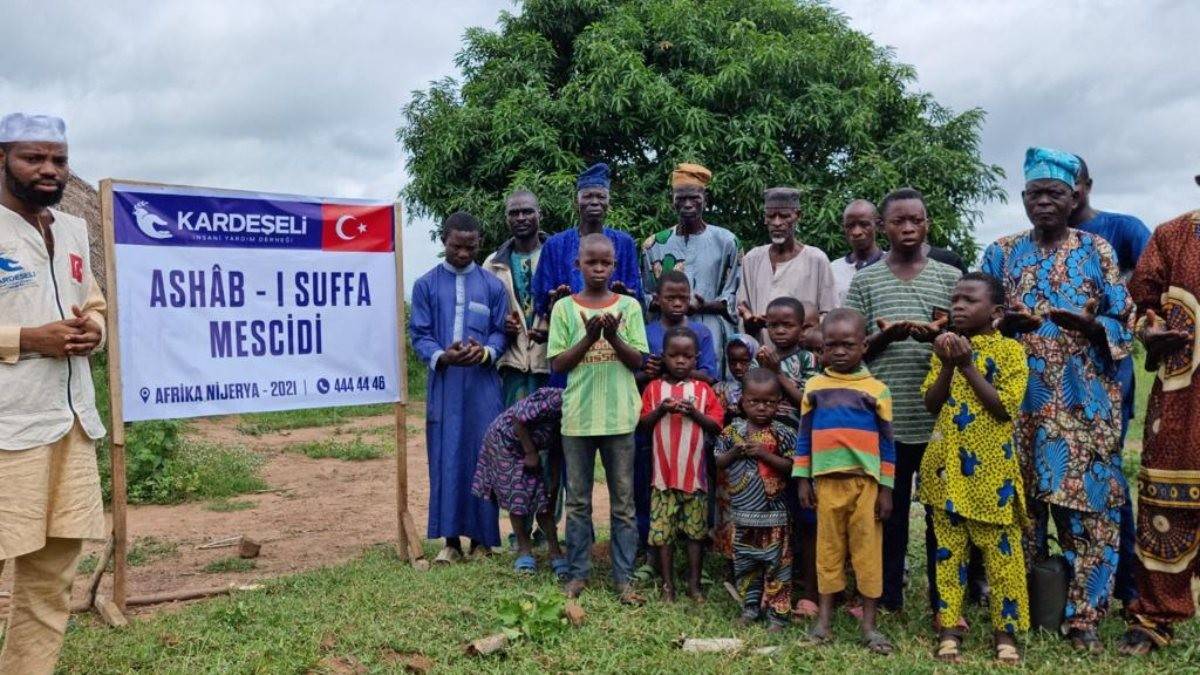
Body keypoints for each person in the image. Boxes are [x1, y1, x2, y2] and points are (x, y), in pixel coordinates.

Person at [981, 147, 1133, 653]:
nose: (1043, 203)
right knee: (1018, 512)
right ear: (1023, 198)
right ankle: (1016, 606)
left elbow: (1124, 320)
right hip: (1014, 406)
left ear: (1075, 197)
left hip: (1082, 407)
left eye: (1055, 194)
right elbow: (980, 316)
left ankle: (1084, 616)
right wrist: (1007, 323)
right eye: (1034, 194)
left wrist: (1090, 325)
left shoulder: (1097, 250)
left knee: (1088, 513)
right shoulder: (1001, 252)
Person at [0, 113, 107, 674]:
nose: (48, 170)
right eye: (32, 157)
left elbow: (92, 299)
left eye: (58, 160)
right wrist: (26, 338)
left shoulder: (69, 229)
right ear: (2, 160)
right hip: (7, 430)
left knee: (52, 577)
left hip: (70, 426)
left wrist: (96, 329)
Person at [844, 186, 960, 614]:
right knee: (885, 515)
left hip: (937, 419)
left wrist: (942, 336)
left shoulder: (948, 278)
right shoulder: (867, 280)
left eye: (917, 219)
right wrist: (885, 335)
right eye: (899, 221)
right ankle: (886, 595)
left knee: (938, 516)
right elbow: (850, 346)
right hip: (883, 421)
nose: (909, 227)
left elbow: (966, 340)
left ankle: (942, 599)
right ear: (882, 227)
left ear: (927, 223)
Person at [918, 273, 1029, 665]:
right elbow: (932, 403)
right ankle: (949, 629)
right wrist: (948, 363)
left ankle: (1006, 633)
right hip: (946, 472)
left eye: (969, 300)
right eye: (955, 300)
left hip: (991, 475)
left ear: (996, 312)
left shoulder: (1011, 352)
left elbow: (1003, 408)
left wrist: (967, 365)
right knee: (948, 554)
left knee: (1002, 558)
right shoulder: (943, 349)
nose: (958, 307)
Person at [547, 233, 648, 603]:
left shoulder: (630, 307)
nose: (599, 268)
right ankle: (577, 574)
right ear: (579, 265)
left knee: (623, 503)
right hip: (578, 419)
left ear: (615, 266)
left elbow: (639, 361)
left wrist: (613, 336)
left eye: (606, 263)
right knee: (578, 502)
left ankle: (623, 578)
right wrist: (589, 339)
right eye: (592, 262)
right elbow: (558, 364)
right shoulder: (563, 309)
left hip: (620, 418)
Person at [1069, 154, 1151, 609]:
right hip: (1051, 381)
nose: (1065, 194)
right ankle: (1064, 577)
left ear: (1085, 186)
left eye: (1071, 185)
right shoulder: (1028, 245)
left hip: (1107, 374)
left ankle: (1127, 584)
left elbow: (1149, 291)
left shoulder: (1123, 230)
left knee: (1107, 476)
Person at [1118, 203, 1200, 655]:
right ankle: (1154, 617)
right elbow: (1140, 303)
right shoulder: (1173, 235)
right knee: (1166, 504)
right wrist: (1150, 331)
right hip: (1181, 396)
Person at [794, 308, 895, 655]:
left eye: (847, 345)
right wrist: (803, 479)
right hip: (825, 485)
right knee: (828, 552)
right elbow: (804, 437)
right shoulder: (815, 387)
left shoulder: (876, 390)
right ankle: (823, 620)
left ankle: (869, 624)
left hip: (864, 486)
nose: (838, 351)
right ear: (821, 347)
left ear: (864, 345)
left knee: (867, 554)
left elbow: (887, 445)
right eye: (830, 345)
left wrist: (886, 489)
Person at [410, 211, 507, 563]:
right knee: (446, 456)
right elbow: (419, 334)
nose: (463, 254)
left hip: (483, 386)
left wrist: (485, 353)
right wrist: (442, 356)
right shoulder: (425, 285)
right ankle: (450, 542)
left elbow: (500, 333)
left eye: (470, 247)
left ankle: (482, 541)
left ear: (479, 243)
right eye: (456, 247)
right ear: (443, 242)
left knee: (484, 457)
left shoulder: (493, 286)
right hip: (445, 384)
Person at [638, 327, 724, 602]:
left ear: (696, 358)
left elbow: (716, 425)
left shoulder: (703, 390)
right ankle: (667, 585)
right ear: (663, 356)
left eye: (687, 356)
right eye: (673, 356)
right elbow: (643, 424)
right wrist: (662, 409)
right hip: (662, 478)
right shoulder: (653, 389)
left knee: (695, 534)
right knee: (663, 534)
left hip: (694, 478)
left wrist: (694, 413)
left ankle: (695, 584)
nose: (680, 361)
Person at [634, 270, 716, 552]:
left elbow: (710, 375)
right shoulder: (646, 332)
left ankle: (694, 545)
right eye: (671, 297)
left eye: (683, 297)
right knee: (650, 482)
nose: (678, 303)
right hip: (655, 424)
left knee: (694, 483)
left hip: (691, 428)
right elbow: (635, 375)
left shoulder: (702, 332)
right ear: (657, 299)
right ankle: (650, 547)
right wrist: (648, 372)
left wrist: (678, 369)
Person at [714, 368, 797, 631]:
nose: (762, 407)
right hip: (743, 514)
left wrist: (764, 454)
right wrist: (736, 452)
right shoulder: (732, 432)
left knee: (778, 566)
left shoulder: (783, 432)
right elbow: (718, 461)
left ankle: (778, 613)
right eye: (754, 401)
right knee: (746, 563)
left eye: (769, 402)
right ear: (743, 402)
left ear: (778, 402)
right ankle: (750, 608)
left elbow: (793, 467)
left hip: (775, 516)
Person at [641, 163, 741, 374]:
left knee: (709, 389)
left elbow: (735, 294)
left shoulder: (727, 241)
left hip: (712, 331)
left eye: (694, 197)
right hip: (665, 335)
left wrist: (706, 305)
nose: (688, 204)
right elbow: (647, 295)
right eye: (681, 198)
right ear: (672, 201)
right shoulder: (654, 244)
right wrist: (670, 303)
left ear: (705, 199)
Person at [471, 387, 567, 577]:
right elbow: (518, 418)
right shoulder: (558, 400)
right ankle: (524, 549)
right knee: (518, 494)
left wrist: (554, 484)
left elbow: (557, 451)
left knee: (542, 498)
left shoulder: (580, 418)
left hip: (526, 445)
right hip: (503, 440)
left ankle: (555, 551)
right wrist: (530, 452)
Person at [532, 162, 642, 327]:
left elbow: (636, 296)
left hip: (616, 331)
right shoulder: (555, 245)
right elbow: (541, 295)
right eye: (588, 196)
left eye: (601, 196)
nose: (595, 202)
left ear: (608, 203)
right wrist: (554, 301)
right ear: (577, 202)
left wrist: (625, 296)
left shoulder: (624, 243)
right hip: (567, 332)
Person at [736, 187, 836, 348]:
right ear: (765, 219)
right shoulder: (752, 259)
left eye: (784, 216)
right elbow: (742, 311)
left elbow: (829, 314)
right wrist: (750, 324)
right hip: (761, 358)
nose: (777, 223)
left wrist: (807, 334)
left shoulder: (816, 259)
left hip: (804, 361)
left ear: (797, 216)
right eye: (771, 216)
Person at [485, 190, 550, 405]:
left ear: (539, 215)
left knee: (549, 434)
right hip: (511, 364)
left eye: (527, 211)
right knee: (513, 432)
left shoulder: (556, 255)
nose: (521, 218)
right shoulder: (492, 264)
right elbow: (481, 313)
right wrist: (500, 323)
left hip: (550, 361)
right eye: (514, 213)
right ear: (507, 218)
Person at [711, 333, 758, 565]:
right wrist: (728, 415)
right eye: (733, 361)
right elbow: (714, 423)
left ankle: (752, 557)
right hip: (728, 460)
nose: (738, 367)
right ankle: (730, 559)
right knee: (728, 508)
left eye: (745, 361)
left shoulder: (762, 388)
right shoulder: (720, 389)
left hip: (756, 460)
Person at [754, 297, 819, 429]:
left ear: (801, 328)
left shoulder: (807, 359)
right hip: (761, 426)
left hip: (794, 427)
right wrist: (760, 370)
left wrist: (777, 373)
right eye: (773, 325)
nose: (780, 331)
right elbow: (749, 398)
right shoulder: (763, 357)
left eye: (788, 325)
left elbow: (806, 403)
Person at [830, 199, 885, 307]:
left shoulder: (892, 265)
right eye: (850, 226)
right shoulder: (833, 270)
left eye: (864, 224)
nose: (856, 232)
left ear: (877, 225)